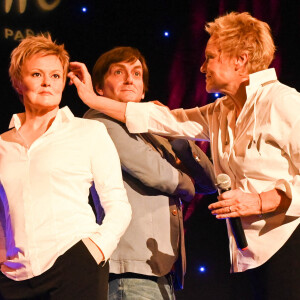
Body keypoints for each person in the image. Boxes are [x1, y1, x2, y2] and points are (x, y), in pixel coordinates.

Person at [69, 12, 300, 299]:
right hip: (247, 252)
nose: (202, 67)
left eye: (211, 57)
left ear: (240, 60)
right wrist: (92, 99)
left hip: (288, 242)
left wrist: (261, 200)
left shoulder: (284, 102)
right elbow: (170, 121)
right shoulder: (221, 112)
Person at [0, 34, 131, 300]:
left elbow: (118, 204)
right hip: (14, 278)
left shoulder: (89, 132)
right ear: (17, 82)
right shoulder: (2, 144)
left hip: (75, 266)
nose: (47, 82)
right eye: (36, 74)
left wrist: (95, 251)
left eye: (55, 76)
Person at [83, 46, 216, 300]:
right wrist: (187, 185)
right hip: (129, 268)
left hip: (161, 269)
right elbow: (156, 173)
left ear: (143, 89)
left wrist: (170, 126)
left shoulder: (152, 131)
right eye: (118, 72)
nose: (129, 79)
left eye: (136, 73)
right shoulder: (99, 121)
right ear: (99, 89)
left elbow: (209, 182)